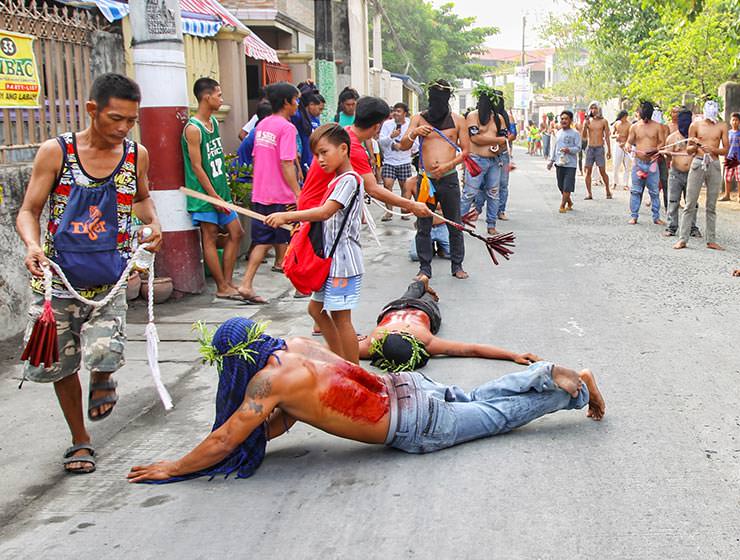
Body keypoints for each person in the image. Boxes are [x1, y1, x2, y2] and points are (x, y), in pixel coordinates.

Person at [127, 317, 606, 483]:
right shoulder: (294, 347)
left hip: (412, 423)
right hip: (408, 387)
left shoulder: (265, 386)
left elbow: (226, 439)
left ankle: (571, 387)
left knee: (496, 416)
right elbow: (287, 421)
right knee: (479, 398)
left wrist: (173, 466)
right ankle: (549, 374)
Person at [16, 73, 163, 474]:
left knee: (105, 351)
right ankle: (80, 440)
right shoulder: (56, 152)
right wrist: (32, 245)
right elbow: (29, 210)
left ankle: (102, 376)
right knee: (58, 365)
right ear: (92, 110)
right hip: (58, 280)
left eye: (130, 120)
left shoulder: (136, 155)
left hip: (109, 278)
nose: (122, 128)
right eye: (115, 118)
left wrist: (154, 226)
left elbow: (143, 201)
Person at [265, 124, 364, 363]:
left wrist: (287, 216)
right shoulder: (337, 180)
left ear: (343, 148)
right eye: (316, 154)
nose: (320, 159)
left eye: (324, 152)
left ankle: (356, 373)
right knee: (315, 310)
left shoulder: (349, 180)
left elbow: (325, 212)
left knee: (342, 318)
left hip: (343, 263)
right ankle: (340, 362)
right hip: (329, 261)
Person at [357, 277, 540, 370]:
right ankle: (422, 284)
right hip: (395, 309)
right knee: (418, 294)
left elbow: (472, 349)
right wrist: (513, 355)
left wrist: (513, 356)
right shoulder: (370, 343)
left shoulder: (425, 341)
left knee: (429, 300)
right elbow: (472, 349)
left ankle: (424, 288)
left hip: (416, 311)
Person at [399, 79, 470, 280]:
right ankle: (424, 268)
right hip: (426, 180)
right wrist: (414, 132)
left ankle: (457, 265)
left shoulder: (457, 120)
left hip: (448, 178)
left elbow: (466, 151)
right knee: (423, 224)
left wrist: (448, 165)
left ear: (448, 98)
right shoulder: (419, 119)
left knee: (454, 223)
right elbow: (404, 145)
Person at [182, 78, 244, 300]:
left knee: (236, 232)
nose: (221, 99)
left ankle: (227, 282)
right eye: (218, 95)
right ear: (206, 97)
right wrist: (213, 196)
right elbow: (197, 166)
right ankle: (221, 286)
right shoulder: (193, 128)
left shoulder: (214, 124)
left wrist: (223, 193)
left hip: (220, 189)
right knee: (209, 236)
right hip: (204, 194)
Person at [674, 100, 729, 250]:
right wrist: (696, 144)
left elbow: (725, 150)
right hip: (698, 162)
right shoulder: (695, 125)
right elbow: (689, 150)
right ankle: (682, 239)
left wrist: (712, 149)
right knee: (690, 202)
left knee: (711, 205)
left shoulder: (722, 126)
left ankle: (711, 239)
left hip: (714, 164)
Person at [460, 87, 508, 235]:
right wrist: (497, 140)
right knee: (469, 193)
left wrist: (498, 147)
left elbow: (504, 141)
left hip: (494, 161)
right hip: (476, 159)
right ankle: (458, 224)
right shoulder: (473, 116)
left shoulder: (499, 119)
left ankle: (491, 225)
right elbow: (475, 138)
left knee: (494, 193)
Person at [625, 101, 666, 225]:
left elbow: (662, 143)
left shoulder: (658, 126)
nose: (646, 119)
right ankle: (634, 216)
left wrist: (655, 149)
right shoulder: (635, 127)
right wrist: (627, 146)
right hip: (638, 163)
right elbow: (629, 141)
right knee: (636, 191)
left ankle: (656, 216)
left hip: (653, 162)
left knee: (654, 191)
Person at [662, 109, 700, 238]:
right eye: (682, 121)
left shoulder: (696, 139)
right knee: (673, 200)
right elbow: (667, 157)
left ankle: (692, 227)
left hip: (693, 174)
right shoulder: (672, 138)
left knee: (692, 202)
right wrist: (668, 154)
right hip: (675, 173)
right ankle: (671, 227)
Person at [378, 102, 416, 221]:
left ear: (405, 113)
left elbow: (416, 142)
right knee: (387, 185)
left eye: (399, 111)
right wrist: (391, 137)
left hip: (404, 161)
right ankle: (389, 212)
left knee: (405, 187)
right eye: (394, 111)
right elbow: (381, 141)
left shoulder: (410, 124)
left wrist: (404, 147)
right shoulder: (387, 125)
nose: (396, 114)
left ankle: (404, 210)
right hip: (389, 161)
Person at [547, 110, 581, 213]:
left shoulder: (575, 133)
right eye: (562, 119)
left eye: (566, 119)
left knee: (567, 186)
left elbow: (578, 148)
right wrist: (551, 161)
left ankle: (562, 205)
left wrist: (569, 150)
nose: (564, 121)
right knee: (560, 185)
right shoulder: (558, 133)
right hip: (559, 163)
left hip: (570, 164)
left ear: (570, 120)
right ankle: (569, 202)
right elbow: (555, 148)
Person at [581, 101, 612, 200]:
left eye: (595, 108)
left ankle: (607, 190)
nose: (593, 110)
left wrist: (609, 150)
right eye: (592, 108)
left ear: (599, 109)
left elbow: (607, 136)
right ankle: (589, 193)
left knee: (602, 171)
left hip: (599, 148)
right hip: (590, 148)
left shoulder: (604, 121)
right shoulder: (588, 121)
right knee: (588, 171)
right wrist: (585, 125)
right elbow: (584, 137)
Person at [292, 91, 323, 175]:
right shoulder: (300, 118)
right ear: (311, 105)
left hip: (312, 159)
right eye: (319, 109)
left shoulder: (316, 121)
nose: (321, 112)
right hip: (303, 159)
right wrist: (299, 97)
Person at [719, 112, 740, 202]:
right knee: (727, 178)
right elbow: (725, 145)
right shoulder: (727, 134)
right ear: (730, 121)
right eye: (733, 120)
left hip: (738, 159)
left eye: (737, 120)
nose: (735, 122)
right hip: (729, 158)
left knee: (739, 178)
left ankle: (739, 196)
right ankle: (727, 194)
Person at [611, 110, 632, 190]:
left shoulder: (629, 125)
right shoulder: (617, 124)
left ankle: (625, 184)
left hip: (626, 145)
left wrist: (626, 143)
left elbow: (631, 137)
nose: (625, 118)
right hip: (617, 145)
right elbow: (612, 135)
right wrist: (616, 136)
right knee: (616, 165)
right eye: (624, 117)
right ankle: (615, 182)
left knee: (627, 165)